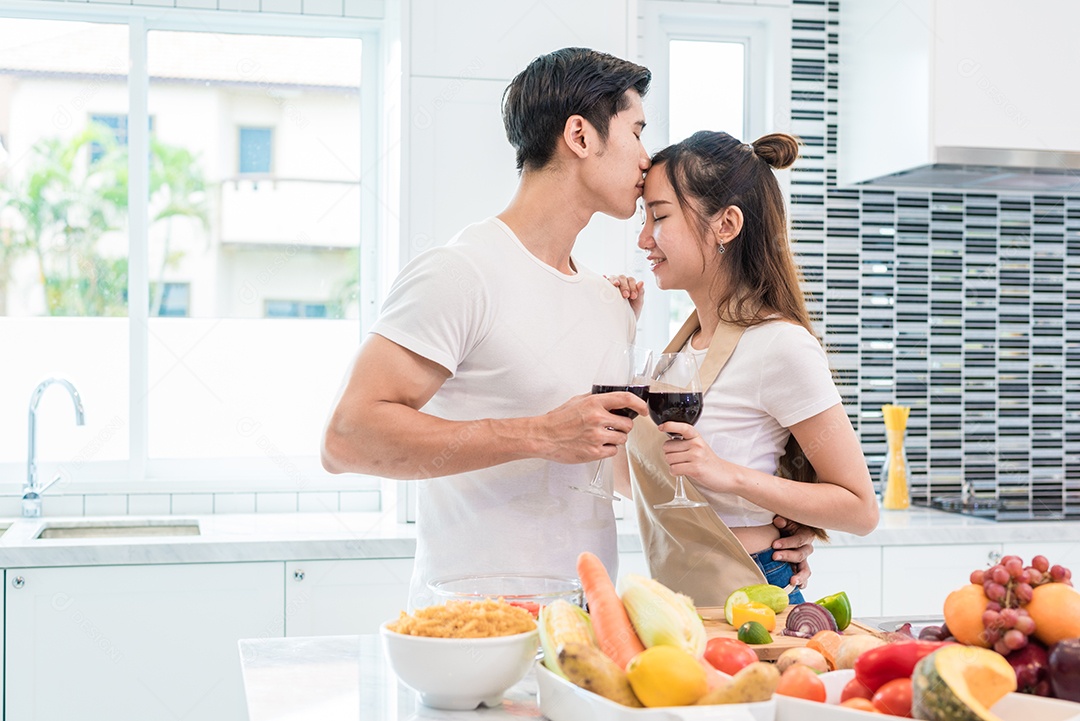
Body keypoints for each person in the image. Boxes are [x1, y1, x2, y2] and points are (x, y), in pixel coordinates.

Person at [321, 48, 817, 610]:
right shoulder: (461, 273)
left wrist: (759, 535)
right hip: (474, 624)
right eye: (636, 131)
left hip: (589, 621)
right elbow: (347, 438)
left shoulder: (609, 303)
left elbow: (619, 472)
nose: (646, 157)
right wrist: (536, 434)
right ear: (580, 136)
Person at [618, 130, 878, 604]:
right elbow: (630, 479)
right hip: (680, 600)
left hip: (752, 594)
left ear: (727, 224)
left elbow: (860, 509)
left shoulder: (779, 345)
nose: (643, 238)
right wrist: (614, 334)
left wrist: (729, 474)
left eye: (658, 216)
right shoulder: (682, 348)